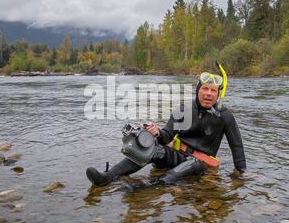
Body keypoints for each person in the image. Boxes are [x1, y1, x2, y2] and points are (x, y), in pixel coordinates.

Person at [86, 64, 246, 187]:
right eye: (205, 89)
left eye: (213, 90)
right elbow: (167, 136)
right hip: (176, 155)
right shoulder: (184, 109)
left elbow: (237, 147)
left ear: (218, 94)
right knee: (151, 149)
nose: (208, 93)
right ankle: (106, 177)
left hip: (199, 163)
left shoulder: (226, 116)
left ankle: (148, 188)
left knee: (192, 163)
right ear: (198, 90)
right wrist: (157, 133)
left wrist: (242, 174)